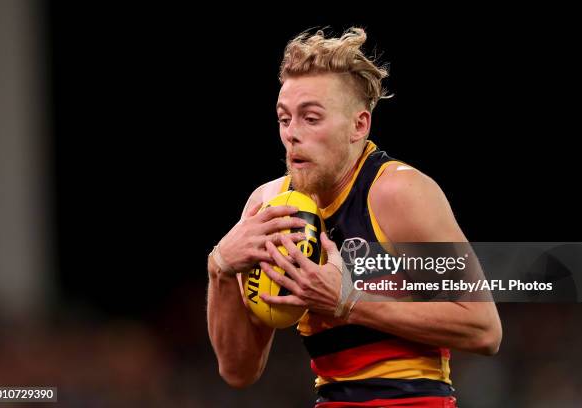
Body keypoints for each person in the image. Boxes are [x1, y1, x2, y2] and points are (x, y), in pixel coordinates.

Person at [207, 27, 502, 407]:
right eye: (284, 119)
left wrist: (349, 302)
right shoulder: (269, 206)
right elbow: (239, 372)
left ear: (358, 125)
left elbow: (484, 329)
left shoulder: (399, 193)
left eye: (311, 118)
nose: (292, 134)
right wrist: (220, 268)